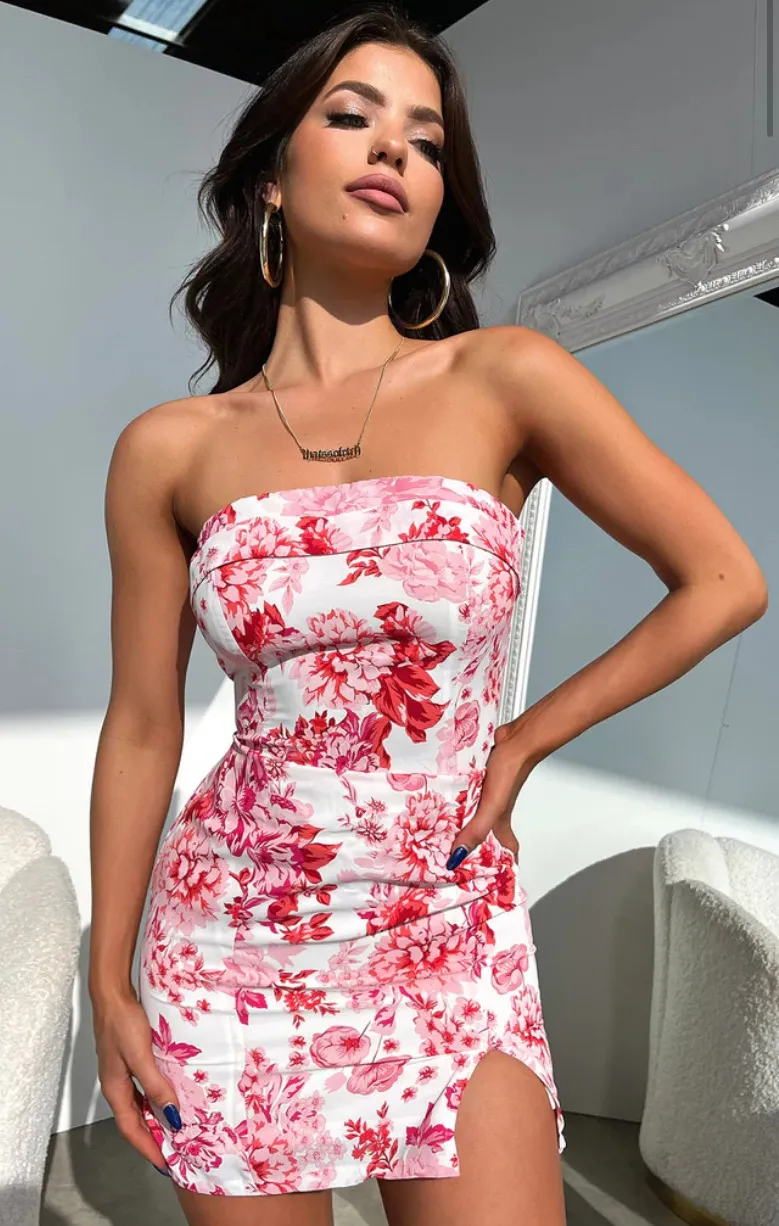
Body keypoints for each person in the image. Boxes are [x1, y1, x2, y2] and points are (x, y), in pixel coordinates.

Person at [87, 5, 768, 1225]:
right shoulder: (167, 448)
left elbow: (721, 579)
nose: (393, 148)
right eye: (351, 116)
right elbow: (142, 723)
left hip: (441, 917)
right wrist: (110, 980)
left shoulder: (504, 375)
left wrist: (521, 739)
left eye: (427, 139)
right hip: (229, 932)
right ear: (271, 177)